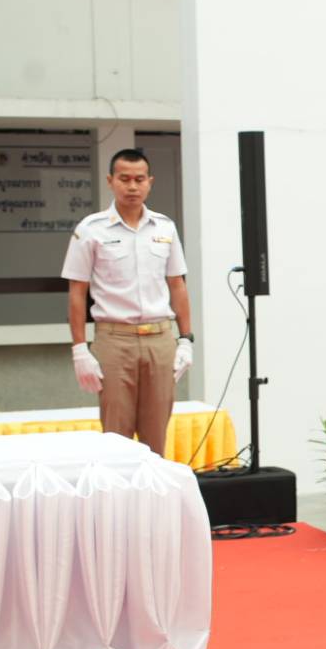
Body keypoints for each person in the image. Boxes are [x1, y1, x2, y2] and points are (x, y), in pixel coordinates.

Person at [61, 148, 193, 457]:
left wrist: (186, 340)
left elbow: (177, 285)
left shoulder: (165, 227)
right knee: (116, 437)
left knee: (156, 436)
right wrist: (80, 349)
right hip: (114, 340)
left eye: (139, 179)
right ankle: (117, 504)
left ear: (150, 182)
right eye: (124, 179)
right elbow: (77, 291)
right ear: (110, 181)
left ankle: (153, 504)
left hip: (160, 339)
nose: (132, 186)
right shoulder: (91, 229)